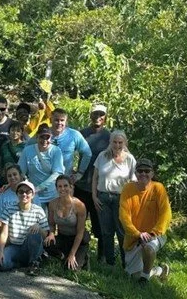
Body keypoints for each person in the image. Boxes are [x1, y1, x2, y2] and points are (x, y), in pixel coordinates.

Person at [119, 158, 171, 283]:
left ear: (152, 173)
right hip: (134, 237)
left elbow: (166, 213)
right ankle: (158, 270)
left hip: (155, 235)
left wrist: (154, 233)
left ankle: (145, 279)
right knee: (133, 276)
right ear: (135, 173)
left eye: (147, 171)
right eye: (140, 171)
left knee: (148, 248)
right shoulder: (127, 189)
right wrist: (138, 234)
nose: (143, 174)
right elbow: (123, 216)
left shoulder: (158, 188)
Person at [91, 130, 137, 267]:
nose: (117, 145)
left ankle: (126, 263)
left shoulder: (130, 159)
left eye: (120, 142)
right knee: (106, 232)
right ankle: (109, 263)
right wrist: (94, 196)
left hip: (121, 199)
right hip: (103, 197)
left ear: (125, 143)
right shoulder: (102, 156)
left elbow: (133, 182)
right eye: (115, 142)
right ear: (110, 143)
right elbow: (95, 178)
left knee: (122, 232)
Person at [76, 103, 110, 261]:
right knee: (78, 222)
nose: (98, 117)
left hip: (99, 187)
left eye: (101, 114)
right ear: (90, 115)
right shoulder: (82, 133)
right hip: (81, 185)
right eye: (95, 114)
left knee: (100, 224)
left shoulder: (109, 137)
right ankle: (78, 253)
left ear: (105, 117)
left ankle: (102, 256)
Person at [0, 180, 50, 276]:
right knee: (1, 264)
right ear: (17, 194)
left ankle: (34, 263)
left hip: (30, 247)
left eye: (28, 192)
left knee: (35, 234)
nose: (24, 194)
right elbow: (4, 233)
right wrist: (0, 252)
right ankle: (20, 264)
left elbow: (45, 235)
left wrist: (39, 228)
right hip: (15, 246)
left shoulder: (39, 211)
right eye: (21, 192)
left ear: (32, 195)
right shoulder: (9, 209)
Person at [44, 175, 90, 270]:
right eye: (59, 186)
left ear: (71, 187)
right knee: (46, 244)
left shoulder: (79, 205)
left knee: (71, 269)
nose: (62, 189)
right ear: (56, 188)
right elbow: (51, 224)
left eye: (65, 186)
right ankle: (63, 255)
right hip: (63, 237)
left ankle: (83, 258)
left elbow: (80, 232)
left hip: (78, 239)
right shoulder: (52, 204)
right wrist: (52, 233)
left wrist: (72, 254)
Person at [18, 125, 64, 210]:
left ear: (51, 138)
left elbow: (57, 173)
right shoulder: (27, 150)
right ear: (37, 137)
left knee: (52, 221)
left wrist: (39, 188)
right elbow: (20, 171)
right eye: (42, 137)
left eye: (47, 137)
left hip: (52, 194)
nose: (45, 140)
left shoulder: (56, 151)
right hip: (34, 195)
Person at [0, 164, 25, 254]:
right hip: (3, 227)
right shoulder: (3, 194)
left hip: (20, 228)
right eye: (9, 176)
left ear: (20, 176)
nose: (12, 177)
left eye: (15, 174)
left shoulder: (27, 193)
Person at [50, 108, 91, 181]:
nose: (59, 123)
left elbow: (87, 153)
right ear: (51, 120)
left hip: (65, 181)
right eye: (56, 120)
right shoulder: (44, 134)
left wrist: (80, 173)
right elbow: (28, 147)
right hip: (44, 181)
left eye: (62, 120)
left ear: (66, 121)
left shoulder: (74, 134)